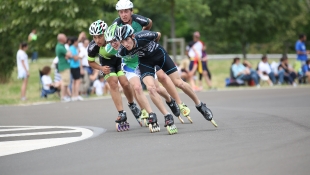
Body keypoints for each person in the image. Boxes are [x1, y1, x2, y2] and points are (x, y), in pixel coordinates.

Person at [115, 25, 218, 131]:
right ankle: (167, 115)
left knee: (178, 82)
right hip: (146, 63)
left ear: (132, 36)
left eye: (127, 40)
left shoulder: (143, 36)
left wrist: (153, 46)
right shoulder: (123, 51)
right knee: (151, 88)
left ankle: (200, 105)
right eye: (122, 41)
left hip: (159, 54)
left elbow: (158, 34)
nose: (125, 44)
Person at [112, 1, 188, 126]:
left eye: (126, 11)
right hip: (131, 61)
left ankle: (173, 101)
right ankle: (148, 112)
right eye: (121, 12)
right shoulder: (116, 24)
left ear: (131, 11)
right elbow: (111, 40)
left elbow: (149, 23)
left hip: (145, 56)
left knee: (160, 82)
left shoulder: (137, 19)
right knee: (137, 87)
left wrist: (143, 34)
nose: (124, 14)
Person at [87, 20, 142, 130]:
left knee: (125, 83)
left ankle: (132, 105)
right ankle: (121, 112)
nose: (97, 40)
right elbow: (90, 62)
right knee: (113, 82)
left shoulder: (116, 36)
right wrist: (101, 68)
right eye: (94, 37)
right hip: (107, 64)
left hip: (119, 61)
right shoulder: (93, 46)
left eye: (100, 36)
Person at [56, 33, 72, 102]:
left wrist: (67, 56)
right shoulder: (60, 47)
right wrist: (68, 55)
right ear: (62, 39)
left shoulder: (62, 46)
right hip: (63, 66)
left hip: (65, 65)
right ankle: (63, 96)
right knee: (64, 82)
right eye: (65, 37)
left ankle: (65, 96)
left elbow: (68, 55)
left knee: (66, 82)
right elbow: (69, 55)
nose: (66, 38)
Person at [69, 37, 84, 101]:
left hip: (74, 66)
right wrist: (80, 56)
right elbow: (75, 58)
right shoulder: (72, 48)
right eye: (77, 42)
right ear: (74, 42)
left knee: (74, 81)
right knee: (77, 81)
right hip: (74, 66)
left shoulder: (74, 48)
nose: (78, 43)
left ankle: (74, 95)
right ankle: (76, 95)